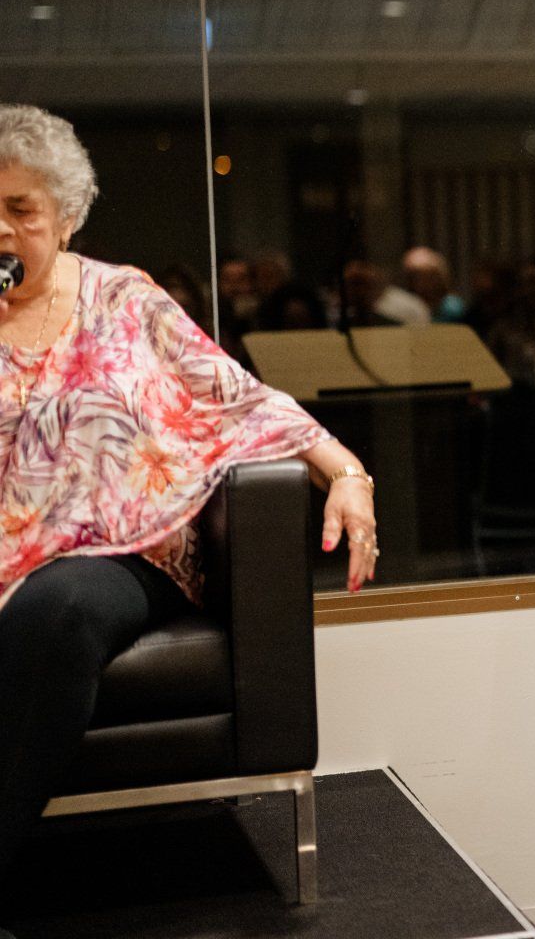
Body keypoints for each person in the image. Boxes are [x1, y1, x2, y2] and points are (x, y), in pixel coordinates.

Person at [0, 105, 380, 901]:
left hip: (119, 550)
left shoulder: (123, 299)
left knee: (59, 611)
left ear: (65, 217)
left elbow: (239, 397)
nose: (0, 230)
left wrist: (347, 473)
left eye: (18, 210)